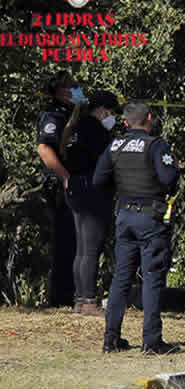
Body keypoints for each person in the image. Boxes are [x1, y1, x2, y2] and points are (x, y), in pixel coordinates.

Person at [92, 102, 181, 354]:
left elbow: (99, 180)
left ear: (126, 123)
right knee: (152, 279)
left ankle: (111, 339)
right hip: (150, 219)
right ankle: (152, 341)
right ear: (149, 119)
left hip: (124, 217)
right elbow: (168, 181)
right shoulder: (156, 145)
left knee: (121, 278)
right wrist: (174, 168)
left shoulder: (115, 146)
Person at [60, 91, 123, 316]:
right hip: (91, 192)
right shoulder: (95, 131)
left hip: (76, 187)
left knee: (82, 248)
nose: (113, 117)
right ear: (103, 110)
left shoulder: (76, 128)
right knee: (91, 248)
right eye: (113, 112)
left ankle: (80, 298)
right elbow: (107, 163)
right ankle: (88, 300)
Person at [35, 71, 84, 308]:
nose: (77, 89)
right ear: (61, 91)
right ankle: (60, 298)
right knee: (65, 242)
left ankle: (71, 294)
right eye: (72, 86)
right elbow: (45, 149)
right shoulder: (52, 116)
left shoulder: (71, 114)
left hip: (73, 184)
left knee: (75, 242)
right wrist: (65, 177)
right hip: (59, 186)